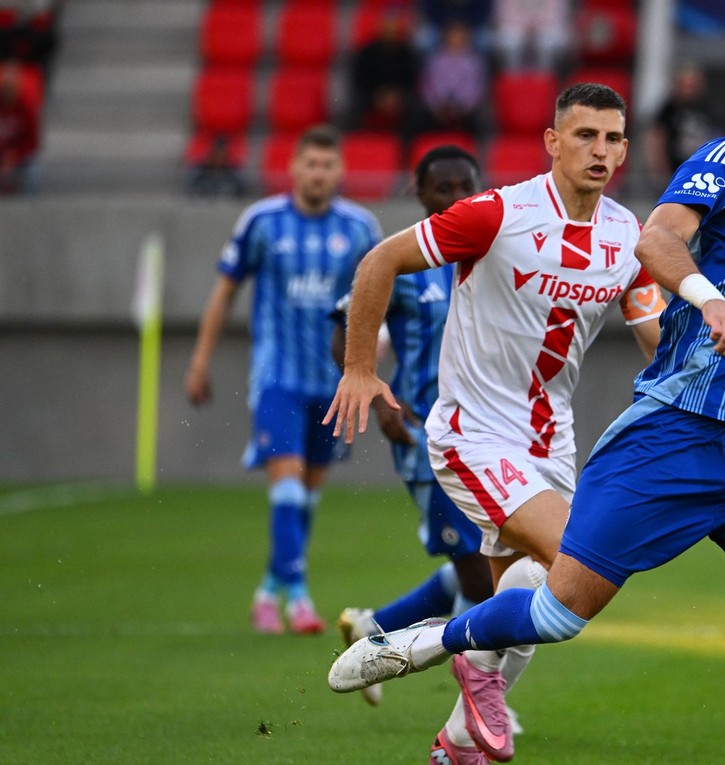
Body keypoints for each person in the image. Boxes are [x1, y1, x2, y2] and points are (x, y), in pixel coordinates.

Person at [328, 48, 725, 765]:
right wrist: (708, 303)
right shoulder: (722, 165)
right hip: (644, 436)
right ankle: (430, 644)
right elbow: (663, 237)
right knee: (558, 603)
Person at [324, 83, 665, 763]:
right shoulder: (496, 214)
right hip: (472, 433)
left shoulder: (630, 236)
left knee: (534, 600)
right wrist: (360, 366)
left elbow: (655, 333)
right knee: (579, 564)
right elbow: (381, 259)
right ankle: (439, 648)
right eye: (585, 135)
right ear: (552, 141)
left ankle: (455, 743)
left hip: (551, 444)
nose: (601, 150)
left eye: (613, 138)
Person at [184, 125, 383, 635]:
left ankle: (267, 589)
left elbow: (380, 300)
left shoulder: (360, 228)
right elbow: (224, 291)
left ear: (340, 171)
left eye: (327, 164)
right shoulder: (262, 221)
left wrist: (372, 359)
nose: (318, 173)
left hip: (333, 383)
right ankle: (297, 599)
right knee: (288, 490)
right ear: (293, 168)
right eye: (310, 163)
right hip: (277, 378)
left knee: (308, 497)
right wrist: (200, 360)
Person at [330, 145, 495, 709]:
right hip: (427, 437)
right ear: (417, 193)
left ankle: (375, 629)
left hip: (493, 435)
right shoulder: (399, 259)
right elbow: (345, 330)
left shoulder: (494, 252)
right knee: (481, 580)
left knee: (499, 565)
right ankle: (479, 702)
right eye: (441, 188)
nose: (453, 198)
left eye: (464, 186)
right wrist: (378, 403)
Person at [348, 10, 422, 137]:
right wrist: (377, 96)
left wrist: (398, 97)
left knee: (417, 109)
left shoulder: (407, 52)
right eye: (387, 28)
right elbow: (360, 80)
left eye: (393, 29)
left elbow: (411, 80)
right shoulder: (366, 52)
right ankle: (359, 143)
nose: (390, 32)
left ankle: (405, 146)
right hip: (372, 96)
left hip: (400, 97)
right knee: (352, 108)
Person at [648, 61, 721, 180]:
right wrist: (660, 169)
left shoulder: (706, 108)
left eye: (693, 85)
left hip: (701, 170)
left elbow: (714, 136)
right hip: (675, 170)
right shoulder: (669, 109)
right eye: (686, 85)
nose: (689, 90)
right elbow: (658, 139)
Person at [419, 21, 490, 138]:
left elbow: (478, 89)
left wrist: (463, 107)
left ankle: (481, 155)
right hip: (438, 109)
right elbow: (426, 87)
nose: (456, 39)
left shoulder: (475, 62)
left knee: (482, 117)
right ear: (446, 37)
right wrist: (436, 106)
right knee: (417, 113)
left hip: (465, 110)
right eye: (453, 35)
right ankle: (411, 154)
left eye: (460, 35)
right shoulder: (434, 60)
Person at [0, 61, 38, 195]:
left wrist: (15, 155)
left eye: (12, 86)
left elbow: (32, 141)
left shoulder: (25, 109)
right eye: (6, 85)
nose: (8, 89)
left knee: (34, 171)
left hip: (17, 156)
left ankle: (30, 208)